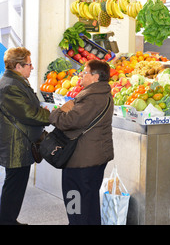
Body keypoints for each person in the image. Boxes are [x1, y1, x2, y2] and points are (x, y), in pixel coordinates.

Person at [49, 60, 114, 225]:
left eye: (85, 72)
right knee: (90, 202)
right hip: (96, 158)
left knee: (75, 203)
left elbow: (69, 121)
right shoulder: (104, 94)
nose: (81, 75)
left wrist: (55, 113)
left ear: (95, 77)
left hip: (80, 161)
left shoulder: (91, 98)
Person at [0, 47, 50, 225]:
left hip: (21, 143)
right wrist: (54, 116)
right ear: (17, 66)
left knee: (17, 185)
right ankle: (6, 220)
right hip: (16, 145)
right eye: (29, 64)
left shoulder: (16, 81)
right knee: (14, 185)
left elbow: (28, 109)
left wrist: (39, 111)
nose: (32, 67)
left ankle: (9, 219)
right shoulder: (10, 86)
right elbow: (29, 114)